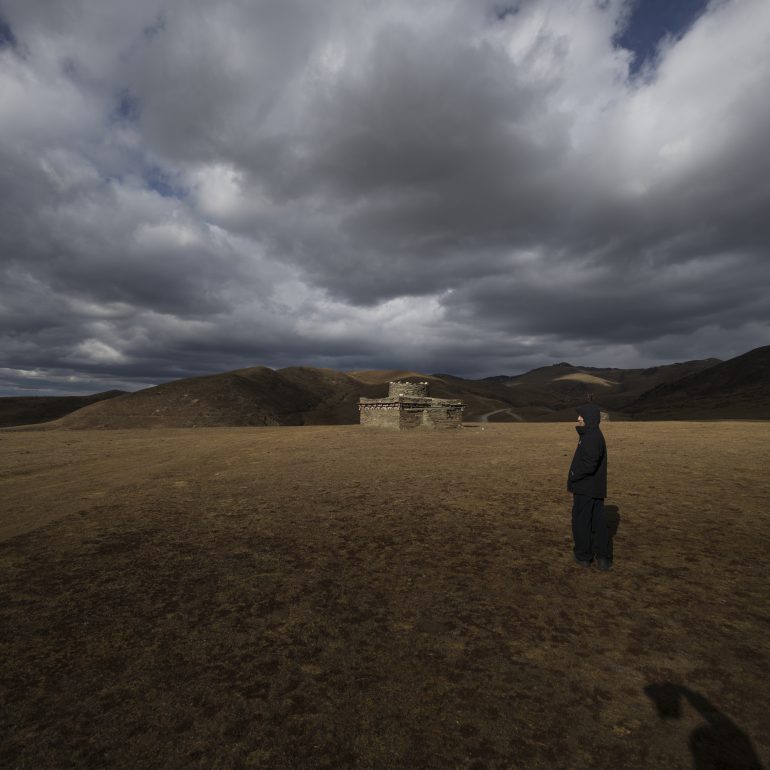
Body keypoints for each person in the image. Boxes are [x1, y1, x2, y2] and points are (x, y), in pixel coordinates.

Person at [567, 403, 612, 570]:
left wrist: (573, 475)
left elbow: (590, 464)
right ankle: (603, 558)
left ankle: (583, 556)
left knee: (581, 521)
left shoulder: (591, 436)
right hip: (595, 487)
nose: (578, 418)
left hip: (585, 487)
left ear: (589, 418)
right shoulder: (593, 434)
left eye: (581, 416)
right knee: (597, 521)